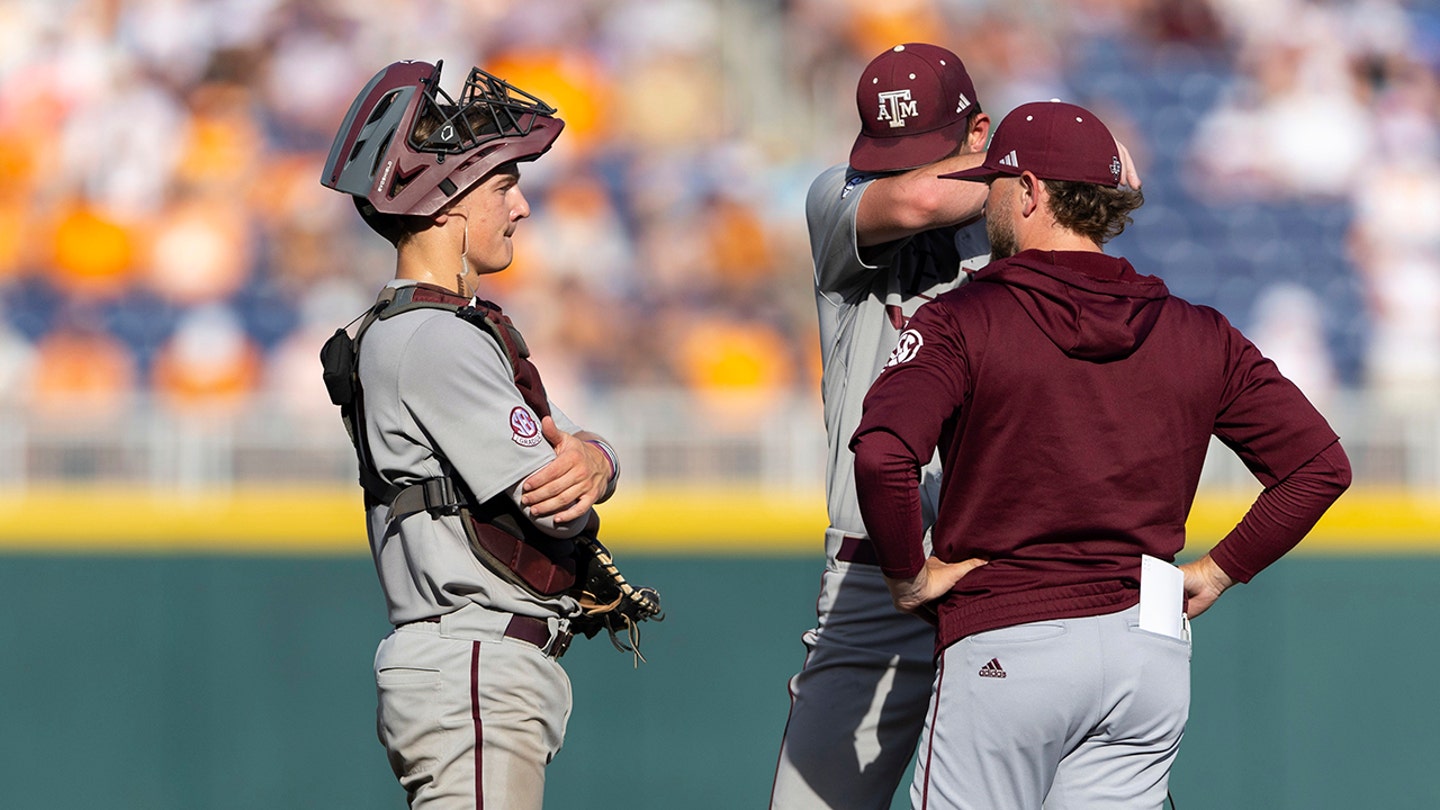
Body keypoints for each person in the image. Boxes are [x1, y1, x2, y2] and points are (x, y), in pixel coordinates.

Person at [850, 100, 1352, 809]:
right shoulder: (1199, 330)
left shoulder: (964, 318)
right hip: (1145, 648)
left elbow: (882, 455)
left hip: (1009, 636)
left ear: (1029, 193)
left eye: (998, 181)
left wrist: (907, 573)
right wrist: (1217, 571)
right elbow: (1319, 466)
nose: (984, 198)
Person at [318, 60, 621, 810]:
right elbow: (558, 498)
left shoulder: (431, 328)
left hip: (471, 663)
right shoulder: (433, 337)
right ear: (448, 204)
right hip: (473, 658)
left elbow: (575, 451)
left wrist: (597, 457)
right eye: (501, 188)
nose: (519, 208)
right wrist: (589, 466)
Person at [773, 42, 1006, 810]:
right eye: (889, 153)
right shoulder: (836, 198)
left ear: (978, 132)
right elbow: (916, 203)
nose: (902, 172)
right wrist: (1036, 171)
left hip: (1002, 576)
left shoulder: (1024, 221)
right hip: (874, 579)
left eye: (927, 151)